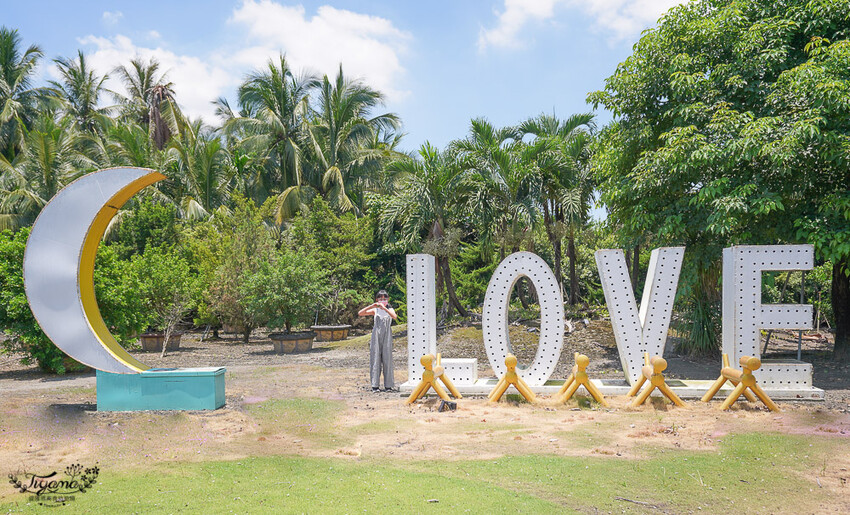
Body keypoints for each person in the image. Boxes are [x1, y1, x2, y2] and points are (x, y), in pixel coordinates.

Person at [358, 290, 397, 392]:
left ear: (388, 299)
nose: (382, 300)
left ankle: (388, 385)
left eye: (384, 298)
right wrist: (372, 306)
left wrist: (385, 308)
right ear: (377, 299)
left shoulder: (390, 309)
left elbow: (394, 316)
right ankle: (375, 385)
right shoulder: (375, 310)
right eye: (380, 298)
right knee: (375, 358)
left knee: (387, 358)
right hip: (376, 335)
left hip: (387, 335)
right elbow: (360, 313)